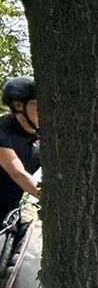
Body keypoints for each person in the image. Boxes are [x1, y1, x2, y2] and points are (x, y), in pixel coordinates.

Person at [0, 75, 40, 222]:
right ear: (18, 106)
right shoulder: (2, 130)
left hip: (8, 216)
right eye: (36, 104)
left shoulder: (43, 139)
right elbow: (18, 173)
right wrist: (51, 199)